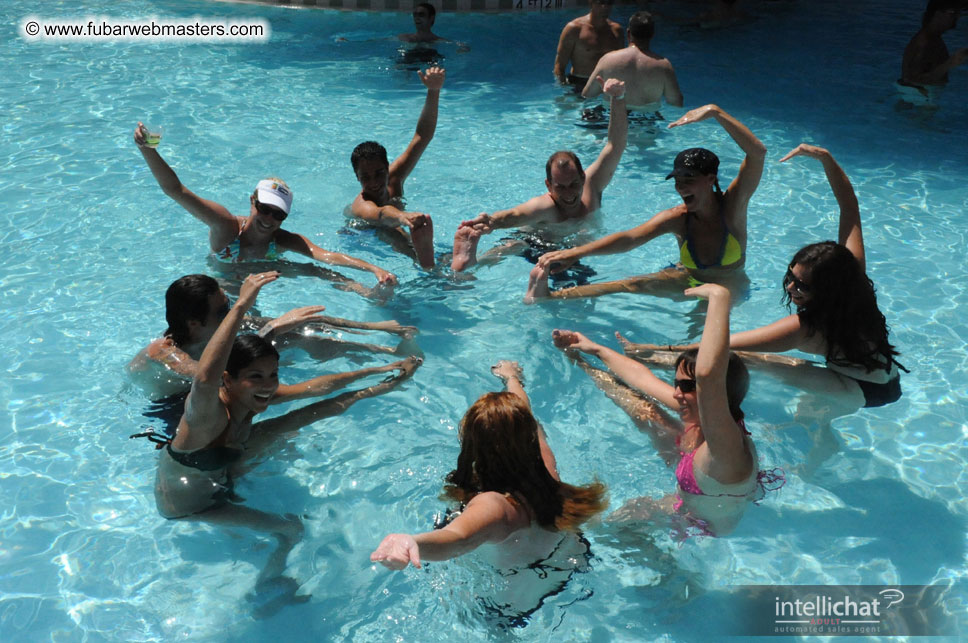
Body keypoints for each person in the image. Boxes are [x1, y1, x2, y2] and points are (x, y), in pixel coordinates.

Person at [148, 271, 420, 599]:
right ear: (228, 380)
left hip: (218, 470)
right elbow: (204, 379)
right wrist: (240, 306)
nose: (268, 385)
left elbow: (316, 394)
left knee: (294, 426)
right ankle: (267, 586)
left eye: (273, 375)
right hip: (191, 505)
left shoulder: (253, 396)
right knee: (292, 528)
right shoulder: (206, 414)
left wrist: (381, 377)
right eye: (255, 376)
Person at [620, 144, 905, 410]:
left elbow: (721, 345)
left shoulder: (805, 327)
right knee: (758, 361)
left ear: (828, 289)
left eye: (803, 285)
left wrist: (651, 351)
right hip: (880, 372)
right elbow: (849, 208)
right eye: (791, 276)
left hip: (863, 389)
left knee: (740, 361)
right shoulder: (852, 278)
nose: (791, 287)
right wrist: (825, 158)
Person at [554, 283, 779, 537]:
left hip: (700, 525)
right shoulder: (707, 417)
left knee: (619, 518)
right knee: (645, 409)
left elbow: (708, 375)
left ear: (714, 393)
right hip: (697, 479)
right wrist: (593, 349)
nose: (676, 394)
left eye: (686, 386)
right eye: (676, 383)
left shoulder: (726, 447)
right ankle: (581, 365)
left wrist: (719, 298)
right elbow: (643, 380)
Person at [370, 361, 607, 570]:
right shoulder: (546, 465)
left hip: (513, 603)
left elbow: (458, 537)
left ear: (473, 445)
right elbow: (525, 414)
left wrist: (414, 542)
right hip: (571, 558)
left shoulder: (495, 505)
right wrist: (512, 378)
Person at [524, 104, 765, 302]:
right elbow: (629, 239)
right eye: (678, 180)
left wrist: (716, 113)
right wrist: (573, 253)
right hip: (688, 279)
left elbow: (757, 153)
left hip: (729, 288)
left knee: (704, 329)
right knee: (630, 284)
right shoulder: (678, 218)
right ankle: (551, 297)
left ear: (711, 179)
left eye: (688, 180)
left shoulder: (733, 206)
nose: (680, 187)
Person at [133, 125, 396, 299]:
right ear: (252, 201)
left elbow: (327, 256)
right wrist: (148, 150)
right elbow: (176, 190)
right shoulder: (227, 228)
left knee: (315, 270)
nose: (269, 219)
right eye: (264, 209)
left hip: (262, 273)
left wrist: (374, 269)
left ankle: (365, 293)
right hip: (225, 284)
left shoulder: (281, 240)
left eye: (278, 214)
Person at [127, 274, 418, 399]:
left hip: (221, 373)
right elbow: (206, 375)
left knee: (302, 333)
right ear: (193, 324)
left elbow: (300, 320)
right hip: (177, 409)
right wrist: (270, 331)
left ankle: (384, 350)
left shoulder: (221, 326)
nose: (232, 314)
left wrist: (378, 328)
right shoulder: (163, 351)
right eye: (223, 311)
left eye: (231, 306)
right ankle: (380, 370)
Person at [450, 78, 628, 272]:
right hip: (537, 244)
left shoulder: (592, 187)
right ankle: (467, 264)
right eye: (560, 187)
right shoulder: (546, 206)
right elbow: (517, 214)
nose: (568, 193)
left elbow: (615, 146)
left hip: (568, 252)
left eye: (573, 184)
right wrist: (493, 222)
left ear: (583, 178)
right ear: (548, 186)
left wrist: (618, 98)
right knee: (514, 246)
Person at [349, 66, 445, 269]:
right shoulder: (362, 204)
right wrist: (402, 216)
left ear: (388, 167)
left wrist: (433, 91)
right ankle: (427, 267)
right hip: (360, 232)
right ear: (357, 178)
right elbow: (381, 214)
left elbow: (422, 137)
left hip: (397, 223)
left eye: (379, 174)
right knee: (389, 231)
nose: (374, 182)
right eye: (365, 177)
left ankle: (430, 263)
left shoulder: (395, 177)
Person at [580, 12, 683, 114]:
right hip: (645, 120)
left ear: (628, 33)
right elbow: (676, 103)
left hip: (611, 115)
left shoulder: (608, 59)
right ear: (652, 35)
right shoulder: (663, 65)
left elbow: (588, 94)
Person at [898, 0, 967, 102]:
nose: (957, 17)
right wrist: (950, 63)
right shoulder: (924, 42)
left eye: (958, 13)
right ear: (937, 14)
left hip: (921, 99)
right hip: (921, 102)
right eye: (952, 13)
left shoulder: (932, 39)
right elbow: (912, 80)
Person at [553, 0, 624, 88]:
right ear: (591, 3)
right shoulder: (574, 29)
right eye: (601, 3)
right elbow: (560, 64)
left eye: (609, 3)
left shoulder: (617, 31)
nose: (605, 7)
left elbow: (621, 64)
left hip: (607, 84)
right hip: (579, 83)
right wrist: (562, 87)